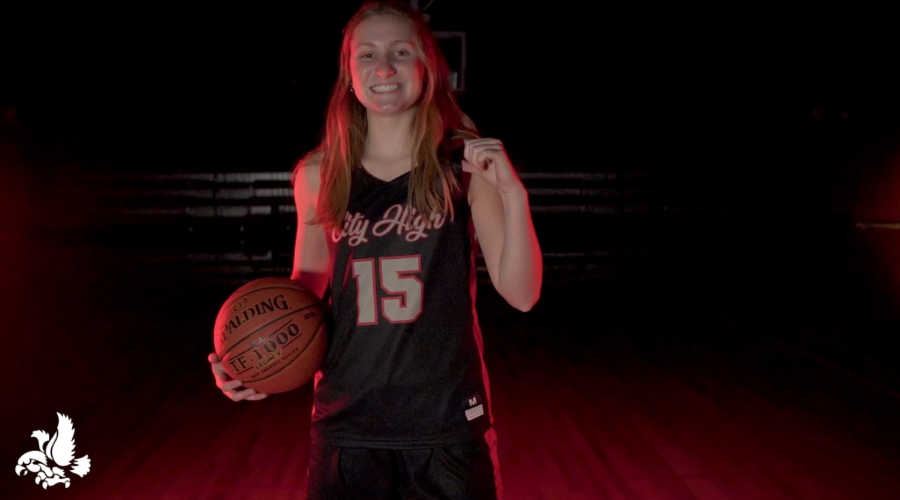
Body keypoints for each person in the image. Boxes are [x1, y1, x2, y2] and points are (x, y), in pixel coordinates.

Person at [208, 2, 542, 498]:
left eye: (400, 52)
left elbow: (522, 295)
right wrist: (250, 356)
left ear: (426, 68)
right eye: (367, 54)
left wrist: (515, 195)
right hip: (348, 425)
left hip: (447, 423)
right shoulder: (320, 175)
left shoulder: (464, 165)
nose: (383, 67)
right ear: (349, 73)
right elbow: (303, 292)